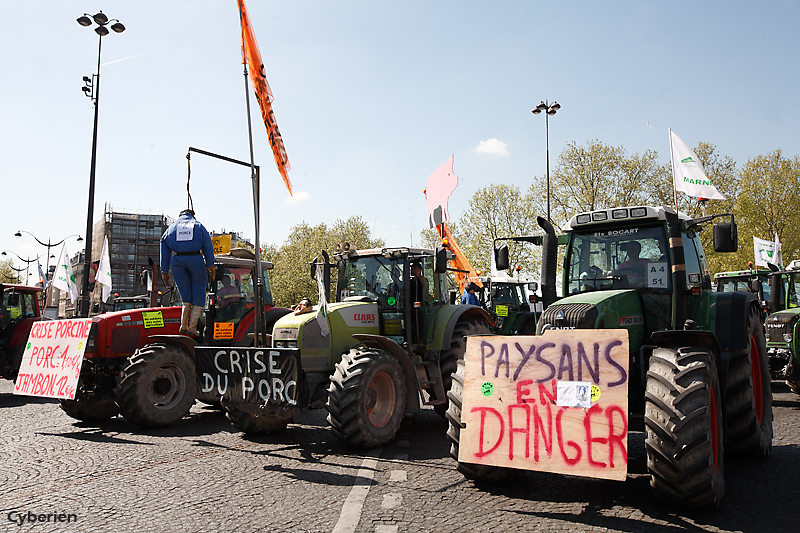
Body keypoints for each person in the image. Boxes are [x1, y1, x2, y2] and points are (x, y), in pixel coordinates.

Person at [160, 209, 215, 335]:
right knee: (199, 292)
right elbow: (207, 246)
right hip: (195, 259)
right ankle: (192, 327)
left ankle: (183, 325)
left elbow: (163, 245)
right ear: (192, 215)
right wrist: (211, 265)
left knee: (185, 295)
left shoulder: (171, 228)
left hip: (177, 262)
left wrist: (164, 270)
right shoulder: (199, 226)